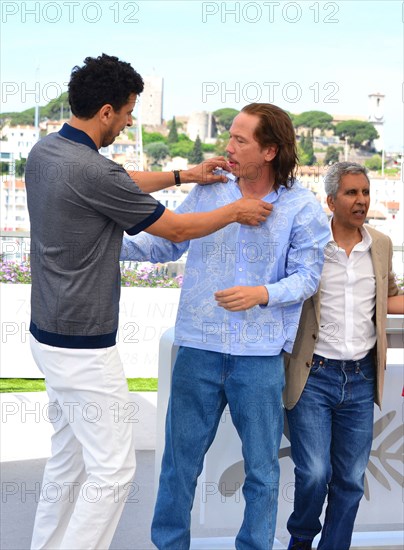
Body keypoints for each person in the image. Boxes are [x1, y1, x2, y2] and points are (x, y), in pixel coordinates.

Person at [25, 54, 272, 550]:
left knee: (67, 461)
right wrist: (236, 209)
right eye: (130, 111)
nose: (133, 120)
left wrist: (183, 176)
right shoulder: (91, 171)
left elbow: (117, 180)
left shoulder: (47, 152)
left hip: (47, 334)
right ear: (107, 112)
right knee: (115, 469)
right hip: (83, 347)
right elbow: (176, 229)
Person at [121, 102, 330, 549]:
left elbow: (308, 276)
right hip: (197, 348)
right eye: (229, 136)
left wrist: (262, 294)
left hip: (260, 358)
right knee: (180, 465)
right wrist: (94, 243)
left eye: (240, 140)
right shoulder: (210, 191)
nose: (227, 147)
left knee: (262, 470)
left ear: (270, 150)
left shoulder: (302, 207)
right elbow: (162, 247)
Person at [283, 162, 404, 550]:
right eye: (352, 193)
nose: (362, 201)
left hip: (362, 377)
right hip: (313, 375)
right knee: (315, 473)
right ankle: (301, 540)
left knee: (351, 479)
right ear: (331, 200)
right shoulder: (311, 244)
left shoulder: (381, 244)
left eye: (366, 192)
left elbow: (388, 297)